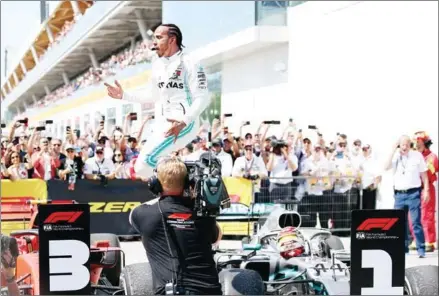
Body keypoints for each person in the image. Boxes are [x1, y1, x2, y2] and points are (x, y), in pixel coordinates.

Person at [105, 24, 210, 178]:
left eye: (159, 37)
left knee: (146, 162)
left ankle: (190, 181)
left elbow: (203, 97)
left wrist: (184, 121)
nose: (154, 42)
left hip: (184, 123)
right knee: (142, 168)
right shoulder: (157, 65)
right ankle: (187, 176)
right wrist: (124, 95)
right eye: (154, 37)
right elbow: (153, 96)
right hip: (163, 125)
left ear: (172, 40)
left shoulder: (190, 62)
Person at [129, 157, 222, 295]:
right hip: (209, 291)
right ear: (187, 183)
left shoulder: (143, 214)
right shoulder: (204, 214)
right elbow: (217, 237)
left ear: (155, 184)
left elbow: (132, 217)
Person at [385, 135, 430, 258]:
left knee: (415, 222)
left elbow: (424, 175)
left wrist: (426, 190)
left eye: (406, 144)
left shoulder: (417, 156)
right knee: (399, 223)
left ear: (410, 145)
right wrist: (393, 150)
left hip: (413, 193)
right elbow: (385, 166)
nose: (404, 147)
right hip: (399, 194)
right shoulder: (396, 156)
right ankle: (403, 247)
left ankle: (421, 249)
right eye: (402, 144)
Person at [408, 131, 438, 252]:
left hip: (427, 188)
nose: (416, 144)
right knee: (413, 216)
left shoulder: (432, 157)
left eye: (418, 141)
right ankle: (417, 240)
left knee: (426, 215)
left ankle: (429, 241)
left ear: (425, 142)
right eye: (414, 142)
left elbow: (429, 173)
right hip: (413, 189)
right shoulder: (412, 157)